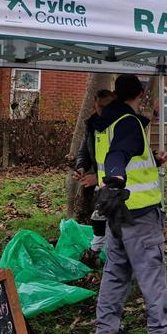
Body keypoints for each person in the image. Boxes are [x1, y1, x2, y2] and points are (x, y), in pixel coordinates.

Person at [92, 74, 167, 334]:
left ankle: (106, 333)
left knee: (115, 273)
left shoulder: (104, 123)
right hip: (139, 214)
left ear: (117, 92)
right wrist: (116, 178)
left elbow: (123, 155)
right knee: (151, 273)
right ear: (141, 94)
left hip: (115, 212)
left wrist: (152, 159)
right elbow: (117, 156)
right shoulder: (128, 122)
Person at [73, 88, 115, 268]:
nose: (104, 110)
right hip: (102, 184)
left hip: (118, 184)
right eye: (100, 106)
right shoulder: (92, 125)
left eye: (108, 106)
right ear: (94, 105)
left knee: (110, 220)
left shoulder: (120, 126)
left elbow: (125, 163)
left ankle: (97, 253)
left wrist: (97, 178)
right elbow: (84, 150)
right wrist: (81, 167)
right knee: (99, 218)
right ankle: (96, 252)